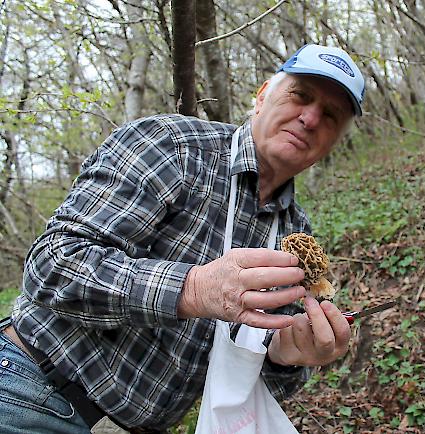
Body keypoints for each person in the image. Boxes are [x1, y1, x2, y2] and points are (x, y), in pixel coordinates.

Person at [0, 43, 365, 433]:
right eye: (301, 96)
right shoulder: (173, 147)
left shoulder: (295, 235)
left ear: (334, 141)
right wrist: (193, 289)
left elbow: (259, 377)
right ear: (262, 96)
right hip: (33, 390)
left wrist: (286, 355)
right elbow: (53, 264)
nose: (310, 118)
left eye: (330, 115)